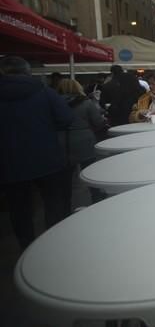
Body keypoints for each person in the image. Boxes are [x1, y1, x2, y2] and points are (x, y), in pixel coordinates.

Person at [0, 56, 74, 249]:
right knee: (53, 203)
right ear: (27, 71)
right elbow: (66, 119)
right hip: (47, 157)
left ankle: (26, 247)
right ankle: (53, 243)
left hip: (9, 162)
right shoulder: (44, 91)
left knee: (19, 210)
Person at [55, 78, 107, 208]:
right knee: (91, 173)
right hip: (84, 140)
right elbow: (98, 122)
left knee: (65, 179)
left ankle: (64, 206)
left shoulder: (54, 103)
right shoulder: (86, 103)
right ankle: (97, 201)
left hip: (61, 141)